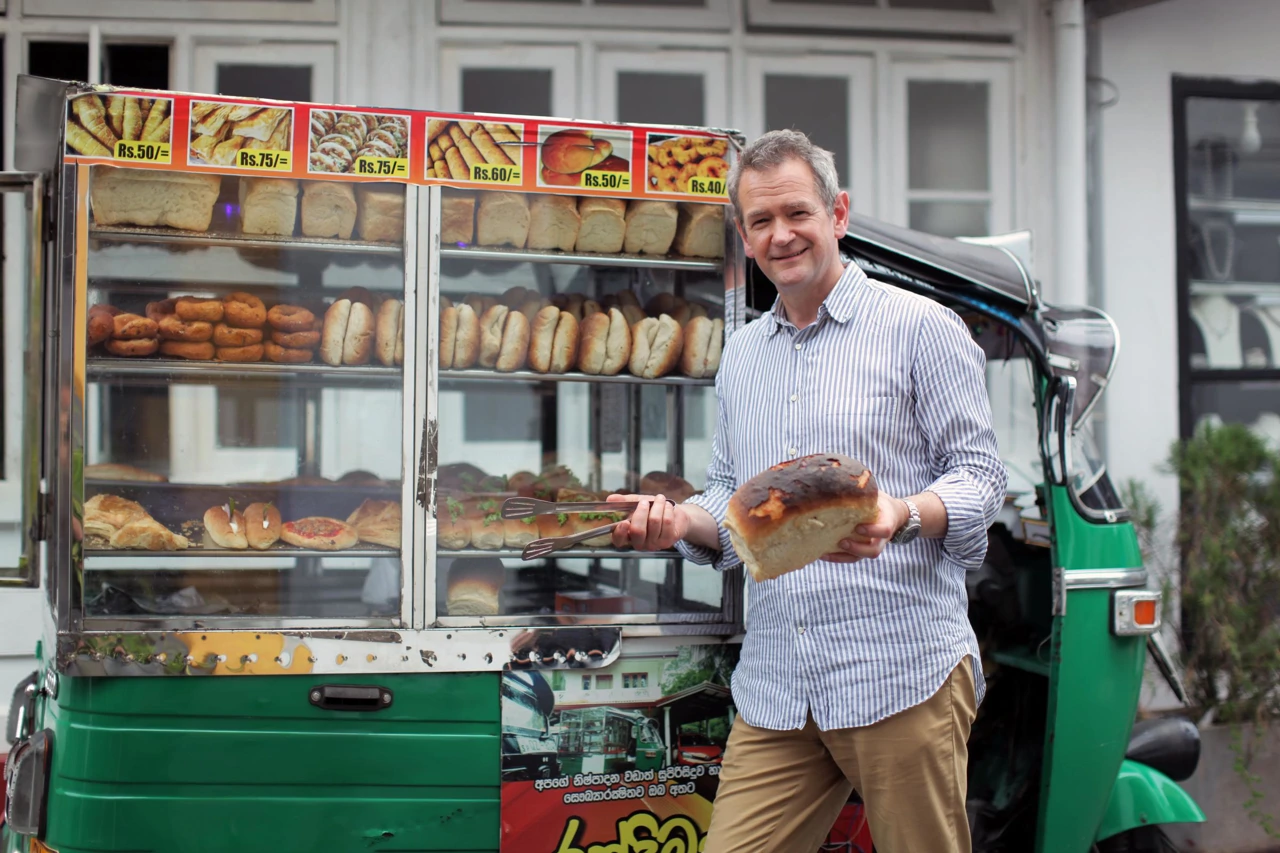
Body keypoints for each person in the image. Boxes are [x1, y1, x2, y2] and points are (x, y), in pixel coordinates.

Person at [607, 129, 1008, 853]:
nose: (781, 235)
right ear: (744, 235)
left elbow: (981, 478)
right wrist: (681, 523)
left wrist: (900, 514)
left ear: (838, 213)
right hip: (780, 683)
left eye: (797, 213)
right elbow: (732, 497)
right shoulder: (744, 356)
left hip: (898, 671)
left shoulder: (920, 328)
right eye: (761, 221)